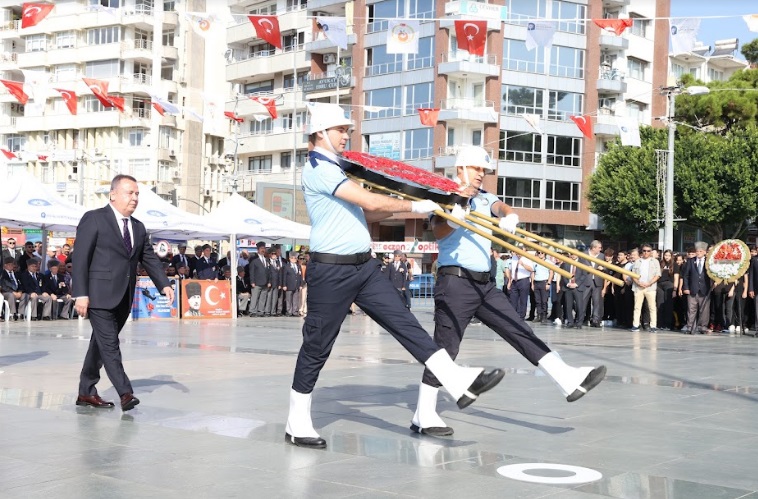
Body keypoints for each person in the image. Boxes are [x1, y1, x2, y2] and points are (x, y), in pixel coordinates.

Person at [286, 104, 505, 450]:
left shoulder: (340, 168)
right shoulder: (318, 169)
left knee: (405, 323)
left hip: (364, 267)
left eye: (347, 130)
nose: (347, 136)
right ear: (320, 132)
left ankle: (455, 377)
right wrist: (416, 206)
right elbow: (369, 203)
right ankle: (297, 421)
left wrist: (429, 198)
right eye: (341, 130)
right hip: (331, 270)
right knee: (317, 345)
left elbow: (369, 207)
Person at [410, 146, 606, 436]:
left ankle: (565, 376)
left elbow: (499, 206)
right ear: (461, 167)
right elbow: (438, 229)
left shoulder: (485, 198)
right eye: (477, 169)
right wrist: (454, 216)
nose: (481, 175)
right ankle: (423, 414)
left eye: (484, 171)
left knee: (519, 329)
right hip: (455, 282)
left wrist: (510, 215)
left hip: (484, 284)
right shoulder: (444, 193)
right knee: (446, 348)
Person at [73, 175, 174, 412]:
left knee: (99, 344)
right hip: (98, 295)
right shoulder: (94, 219)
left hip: (124, 296)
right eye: (130, 193)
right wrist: (81, 293)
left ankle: (86, 392)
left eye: (137, 194)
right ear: (113, 194)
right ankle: (125, 392)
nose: (135, 198)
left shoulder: (137, 227)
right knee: (110, 344)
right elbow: (80, 258)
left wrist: (165, 284)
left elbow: (148, 258)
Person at [682, 241, 712, 334]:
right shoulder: (691, 261)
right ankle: (690, 327)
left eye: (700, 251)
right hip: (692, 288)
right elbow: (686, 275)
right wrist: (686, 287)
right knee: (691, 309)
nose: (698, 253)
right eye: (697, 251)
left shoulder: (709, 261)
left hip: (704, 288)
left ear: (704, 252)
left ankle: (703, 327)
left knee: (704, 309)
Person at [630, 244, 661, 332]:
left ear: (651, 252)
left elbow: (658, 274)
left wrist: (649, 283)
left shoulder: (655, 261)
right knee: (637, 307)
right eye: (644, 250)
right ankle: (635, 325)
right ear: (641, 251)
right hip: (638, 287)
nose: (646, 252)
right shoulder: (637, 261)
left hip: (650, 287)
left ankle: (653, 325)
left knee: (652, 307)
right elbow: (633, 275)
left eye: (648, 251)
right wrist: (638, 282)